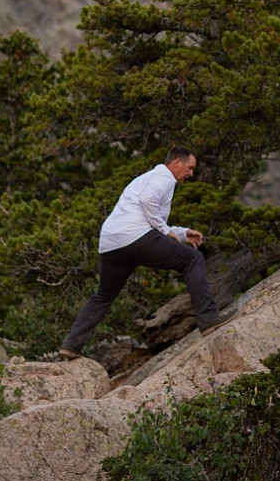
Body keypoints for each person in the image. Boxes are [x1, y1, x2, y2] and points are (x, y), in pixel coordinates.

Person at [59, 147, 235, 357]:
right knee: (193, 259)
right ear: (177, 163)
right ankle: (208, 319)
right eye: (189, 168)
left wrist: (181, 233)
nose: (191, 174)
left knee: (103, 296)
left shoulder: (149, 177)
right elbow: (148, 202)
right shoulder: (165, 178)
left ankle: (71, 345)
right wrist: (165, 231)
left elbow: (148, 214)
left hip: (111, 244)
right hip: (135, 238)